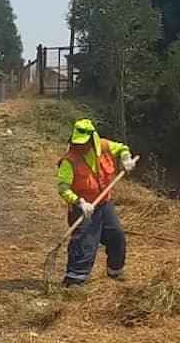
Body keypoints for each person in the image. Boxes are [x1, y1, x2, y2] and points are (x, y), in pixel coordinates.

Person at [57, 119, 137, 288]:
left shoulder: (105, 146)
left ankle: (115, 271)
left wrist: (126, 159)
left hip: (104, 203)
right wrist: (79, 202)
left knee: (116, 235)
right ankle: (74, 280)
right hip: (83, 208)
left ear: (92, 139)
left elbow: (122, 148)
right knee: (85, 240)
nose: (81, 147)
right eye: (78, 143)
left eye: (84, 143)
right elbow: (63, 188)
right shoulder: (69, 160)